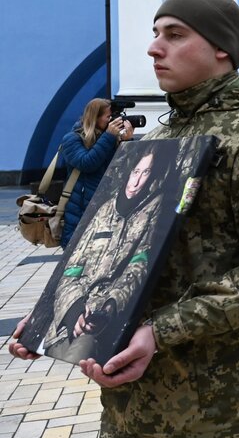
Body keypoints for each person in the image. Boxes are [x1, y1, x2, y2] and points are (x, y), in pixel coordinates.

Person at [13, 0, 239, 438]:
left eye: (174, 35)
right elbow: (108, 247)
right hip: (133, 404)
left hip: (222, 411)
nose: (154, 47)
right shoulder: (160, 137)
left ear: (222, 49)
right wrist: (53, 314)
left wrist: (161, 330)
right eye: (155, 34)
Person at [41, 146, 164, 363]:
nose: (136, 181)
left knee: (83, 353)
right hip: (68, 316)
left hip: (105, 319)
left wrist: (110, 305)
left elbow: (139, 266)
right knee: (61, 352)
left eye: (145, 173)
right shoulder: (105, 210)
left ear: (153, 177)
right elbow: (72, 267)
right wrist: (75, 311)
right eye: (136, 172)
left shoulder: (152, 211)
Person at [60, 98, 134, 246]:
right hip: (81, 209)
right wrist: (108, 136)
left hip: (109, 206)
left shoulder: (110, 139)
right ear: (95, 117)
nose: (113, 121)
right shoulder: (72, 139)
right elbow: (86, 163)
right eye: (109, 117)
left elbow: (128, 168)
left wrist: (127, 142)